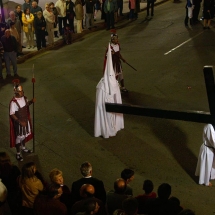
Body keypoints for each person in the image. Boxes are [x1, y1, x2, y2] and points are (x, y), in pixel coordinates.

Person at [95, 42, 124, 138]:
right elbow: (99, 104)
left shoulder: (115, 84)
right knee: (107, 117)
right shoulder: (101, 86)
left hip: (112, 109)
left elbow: (118, 100)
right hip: (106, 109)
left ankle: (114, 126)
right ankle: (106, 129)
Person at [9, 79, 35, 161]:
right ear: (16, 92)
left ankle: (23, 148)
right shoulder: (13, 102)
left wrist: (31, 101)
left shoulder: (24, 98)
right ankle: (18, 153)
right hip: (19, 122)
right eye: (21, 92)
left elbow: (26, 105)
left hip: (26, 121)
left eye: (22, 91)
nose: (22, 92)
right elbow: (12, 113)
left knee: (24, 135)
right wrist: (20, 122)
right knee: (19, 137)